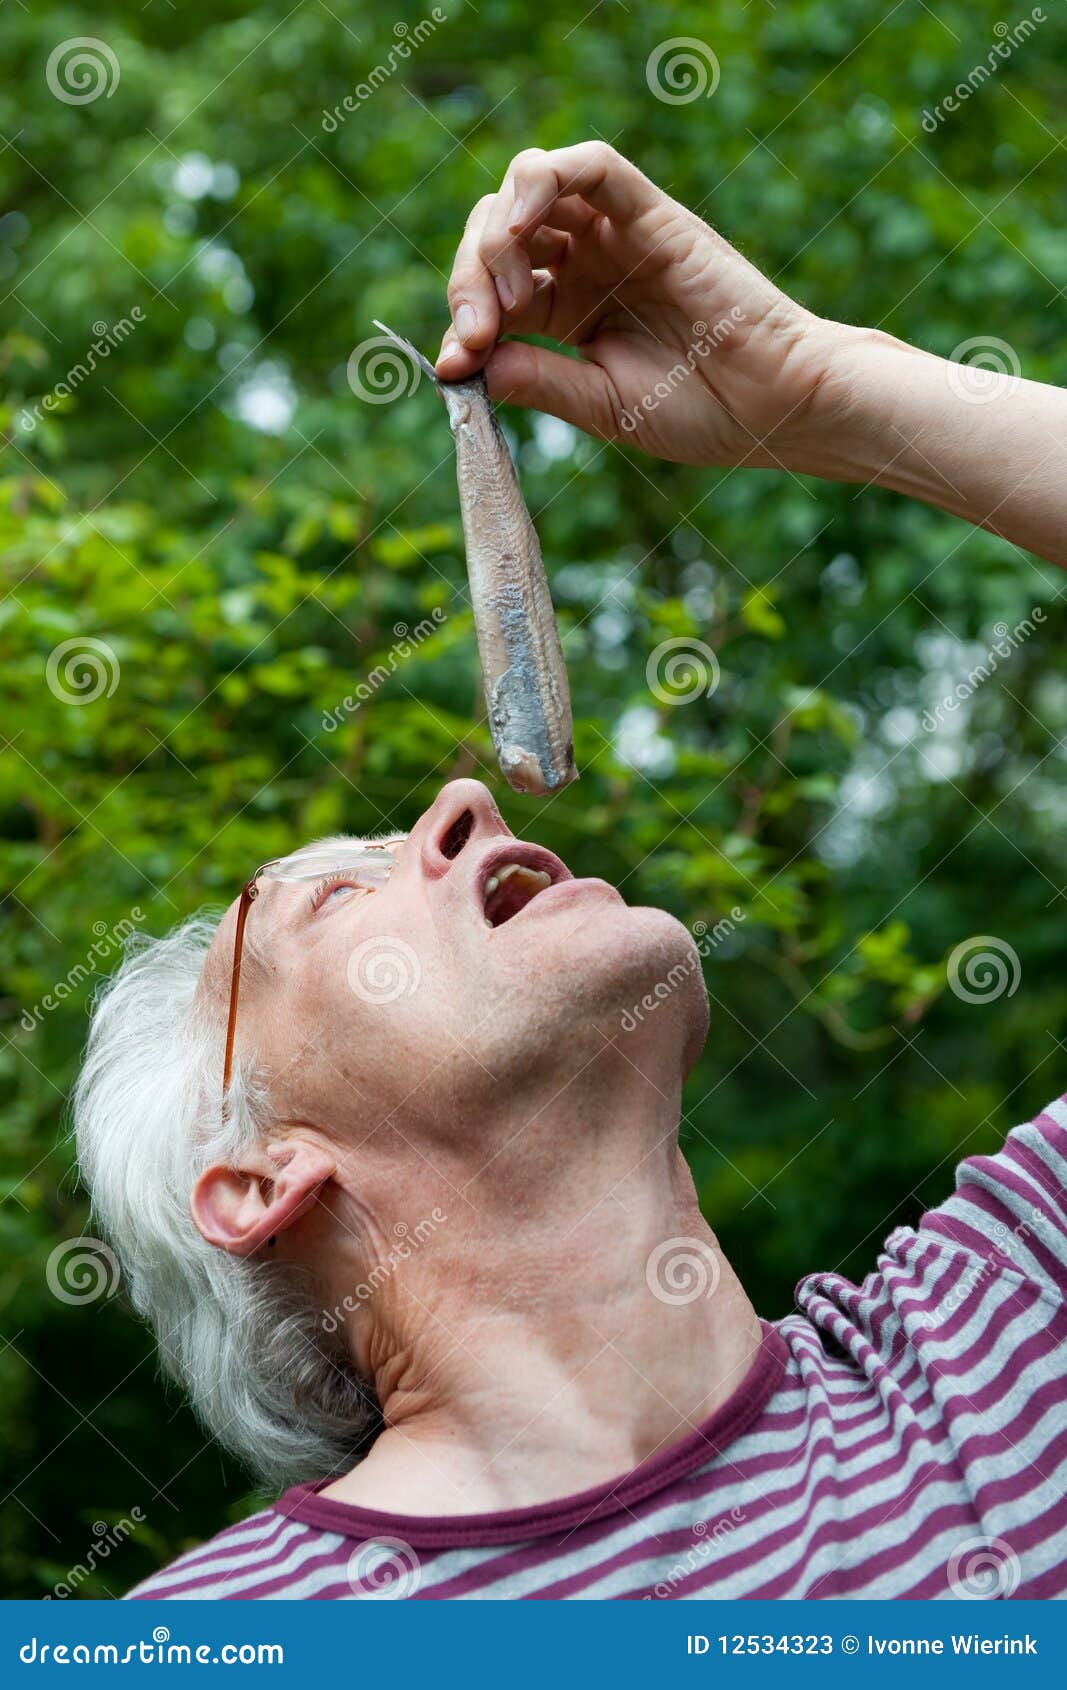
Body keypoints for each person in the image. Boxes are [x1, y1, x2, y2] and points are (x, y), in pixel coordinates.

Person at [75, 143, 1067, 1600]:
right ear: (262, 1176)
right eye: (337, 896)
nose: (461, 797)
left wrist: (819, 386)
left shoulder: (1005, 1330)